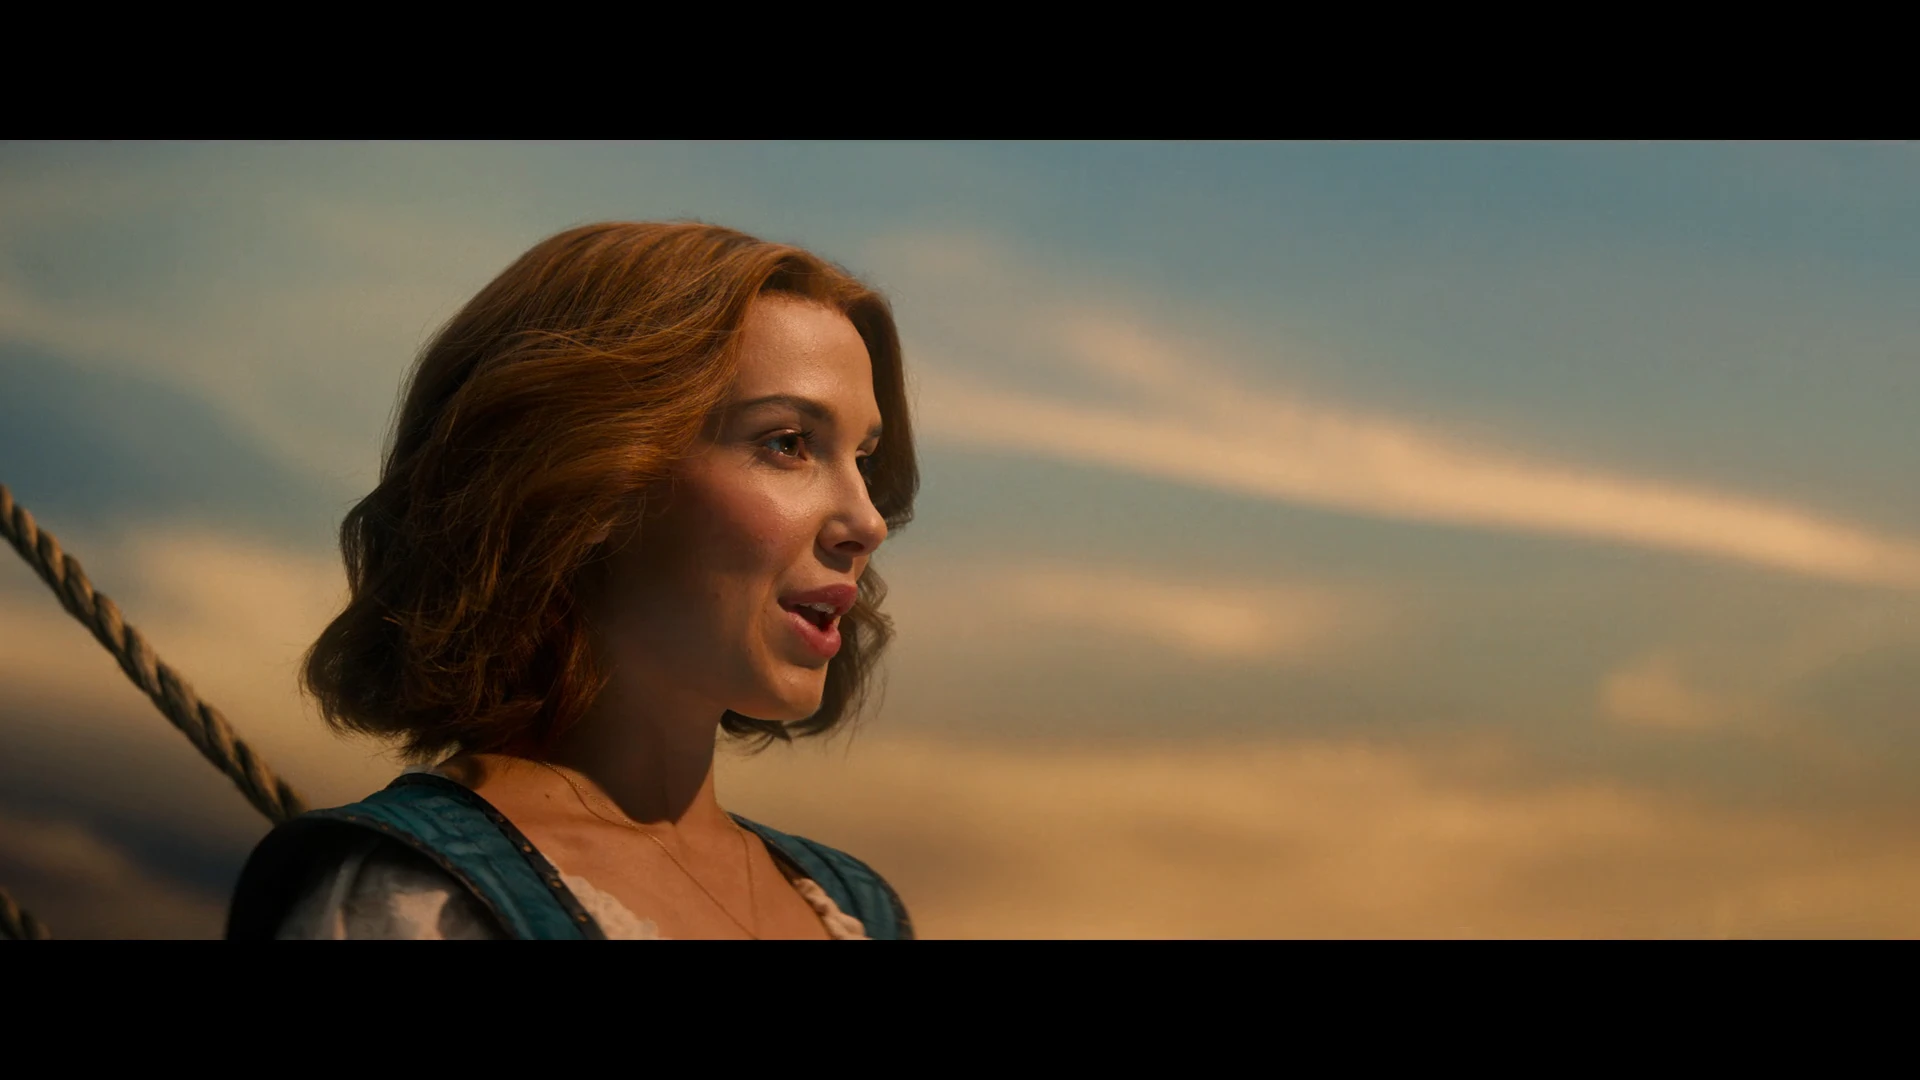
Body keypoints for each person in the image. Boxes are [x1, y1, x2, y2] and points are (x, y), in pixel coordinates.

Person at [226, 222, 917, 939]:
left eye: (863, 459)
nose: (868, 522)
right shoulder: (416, 903)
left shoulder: (853, 908)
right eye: (788, 443)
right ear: (585, 477)